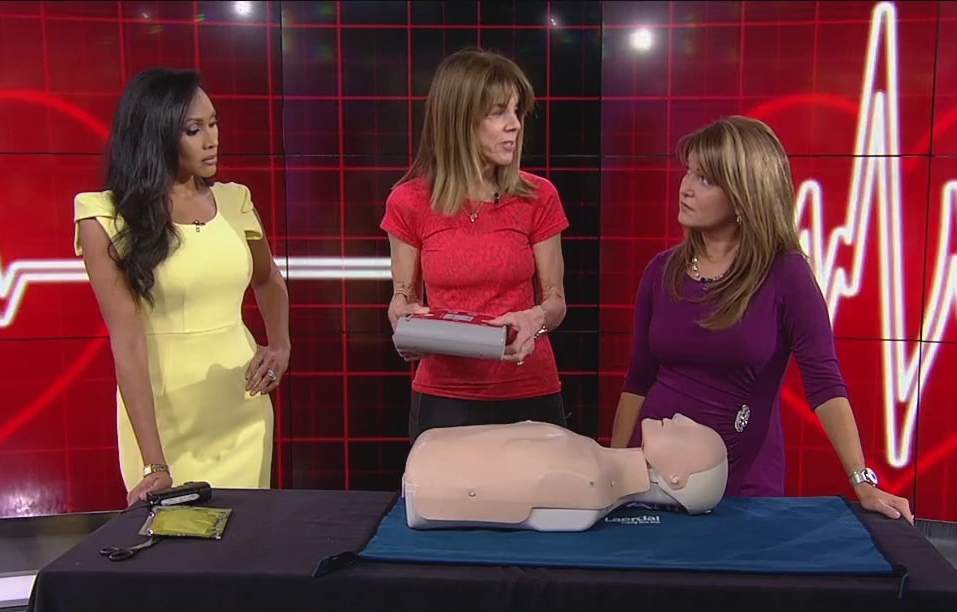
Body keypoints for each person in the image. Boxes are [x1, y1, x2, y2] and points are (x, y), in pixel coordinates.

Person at [611, 116, 915, 523]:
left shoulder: (786, 274)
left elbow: (825, 382)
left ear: (743, 196)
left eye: (705, 180)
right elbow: (638, 380)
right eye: (689, 172)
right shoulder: (661, 271)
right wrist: (616, 466)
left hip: (743, 480)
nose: (685, 187)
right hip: (654, 472)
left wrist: (862, 480)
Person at [74, 67, 289, 506]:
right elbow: (128, 343)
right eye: (194, 130)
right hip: (162, 416)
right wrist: (154, 463)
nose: (212, 140)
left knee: (244, 534)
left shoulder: (235, 200)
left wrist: (281, 346)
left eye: (214, 123)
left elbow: (268, 279)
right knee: (174, 539)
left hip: (242, 404)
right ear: (156, 135)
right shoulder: (106, 217)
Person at [380, 48, 570, 441]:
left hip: (528, 390)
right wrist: (403, 318)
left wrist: (534, 319)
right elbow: (403, 297)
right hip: (445, 398)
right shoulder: (409, 202)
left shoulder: (539, 196)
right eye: (498, 113)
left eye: (517, 112)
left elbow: (556, 302)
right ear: (460, 120)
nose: (514, 125)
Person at [402, 415, 729, 531]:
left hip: (428, 476)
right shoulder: (591, 467)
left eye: (691, 433)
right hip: (429, 463)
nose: (680, 418)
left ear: (676, 479)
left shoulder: (590, 483)